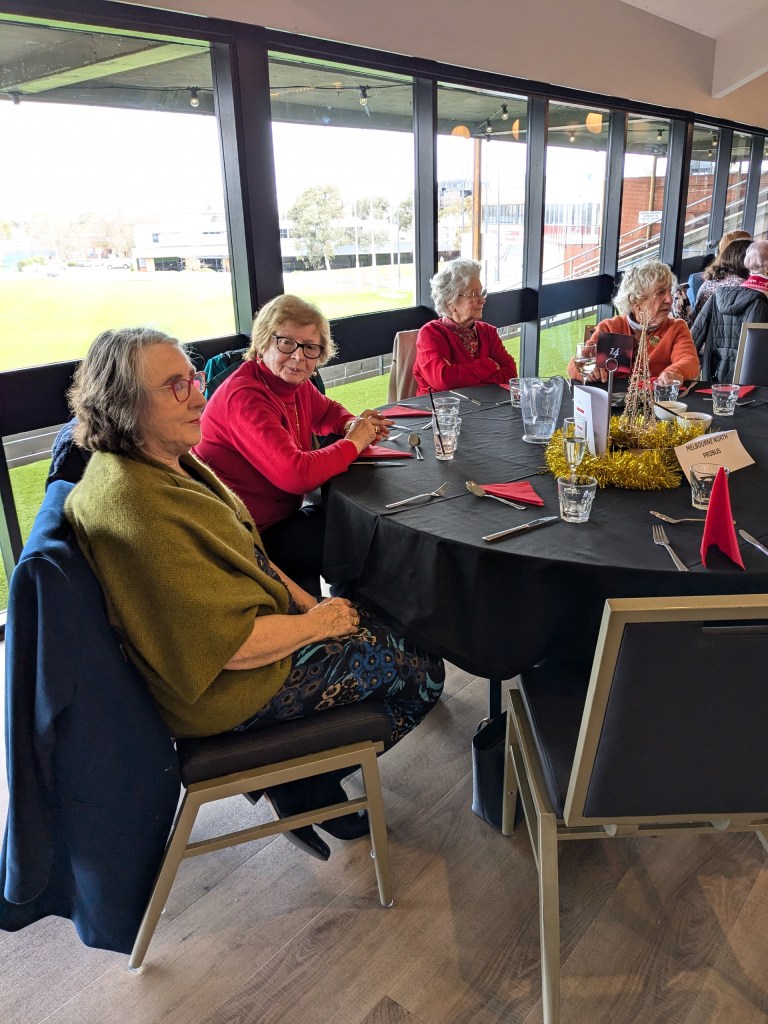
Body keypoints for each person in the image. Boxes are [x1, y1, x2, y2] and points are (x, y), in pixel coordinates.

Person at [65, 327, 445, 862]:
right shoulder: (139, 511)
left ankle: (304, 775)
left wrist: (311, 605)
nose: (199, 396)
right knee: (424, 671)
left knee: (389, 624)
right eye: (175, 386)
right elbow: (232, 648)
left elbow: (251, 552)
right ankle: (304, 784)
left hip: (253, 638)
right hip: (227, 689)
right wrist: (318, 625)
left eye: (193, 379)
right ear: (124, 403)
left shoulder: (167, 460)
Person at [193, 295, 391, 595]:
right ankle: (358, 608)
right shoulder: (245, 396)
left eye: (310, 347)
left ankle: (349, 604)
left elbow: (326, 411)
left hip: (279, 518)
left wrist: (349, 423)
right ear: (262, 343)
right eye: (286, 343)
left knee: (355, 525)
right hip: (245, 538)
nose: (298, 357)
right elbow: (296, 475)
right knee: (362, 533)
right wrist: (356, 440)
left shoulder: (292, 384)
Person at [567, 260, 700, 384]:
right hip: (612, 399)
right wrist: (590, 370)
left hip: (656, 399)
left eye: (669, 291)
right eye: (660, 292)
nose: (669, 299)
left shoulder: (676, 328)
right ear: (635, 301)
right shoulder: (610, 327)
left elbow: (689, 361)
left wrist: (673, 373)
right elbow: (576, 363)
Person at [412, 258, 518, 395]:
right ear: (450, 303)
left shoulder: (488, 332)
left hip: (485, 405)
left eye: (481, 292)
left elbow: (511, 373)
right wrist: (489, 365)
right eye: (474, 294)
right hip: (440, 407)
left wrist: (460, 377)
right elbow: (444, 380)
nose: (482, 300)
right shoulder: (431, 333)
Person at [692, 241, 768, 382]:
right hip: (751, 377)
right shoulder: (762, 299)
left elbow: (695, 334)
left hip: (714, 369)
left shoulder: (719, 294)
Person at [689, 237, 751, 325]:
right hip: (719, 330)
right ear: (745, 260)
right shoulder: (740, 285)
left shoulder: (711, 280)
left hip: (702, 329)